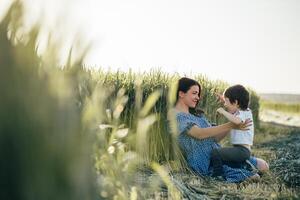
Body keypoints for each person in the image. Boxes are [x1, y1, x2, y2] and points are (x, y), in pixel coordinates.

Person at [172, 77, 268, 183]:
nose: (197, 97)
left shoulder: (197, 115)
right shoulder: (176, 115)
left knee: (264, 166)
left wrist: (233, 117)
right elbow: (199, 134)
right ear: (181, 94)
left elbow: (215, 138)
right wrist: (230, 125)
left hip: (218, 155)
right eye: (194, 93)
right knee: (254, 175)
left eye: (198, 94)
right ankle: (230, 173)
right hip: (205, 161)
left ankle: (243, 168)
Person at [210, 85, 255, 178]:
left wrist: (223, 111)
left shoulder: (243, 113)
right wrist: (224, 99)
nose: (225, 105)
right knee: (224, 160)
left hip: (242, 150)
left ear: (236, 102)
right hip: (242, 150)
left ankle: (217, 176)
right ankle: (245, 167)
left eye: (226, 102)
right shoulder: (243, 111)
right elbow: (233, 110)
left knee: (216, 153)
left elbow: (237, 121)